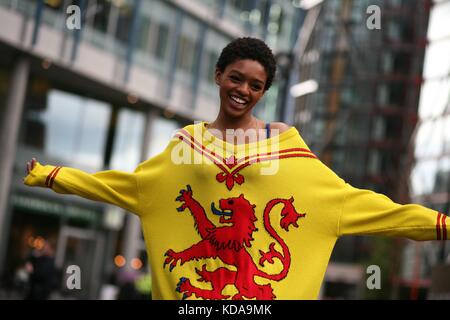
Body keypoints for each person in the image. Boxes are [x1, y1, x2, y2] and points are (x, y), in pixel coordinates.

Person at [24, 37, 448, 300]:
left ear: (264, 91)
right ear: (218, 76)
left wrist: (442, 224)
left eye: (256, 85)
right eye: (236, 78)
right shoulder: (186, 146)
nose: (243, 90)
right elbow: (124, 186)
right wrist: (50, 175)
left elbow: (372, 209)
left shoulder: (286, 148)